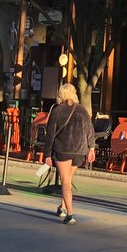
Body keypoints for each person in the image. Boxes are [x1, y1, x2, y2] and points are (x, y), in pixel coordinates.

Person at [43, 82, 95, 225]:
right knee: (68, 179)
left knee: (65, 180)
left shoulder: (57, 110)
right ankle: (62, 206)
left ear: (61, 94)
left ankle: (70, 214)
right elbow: (89, 130)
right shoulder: (82, 109)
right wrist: (91, 148)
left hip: (63, 149)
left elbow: (50, 134)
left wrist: (47, 154)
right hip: (79, 150)